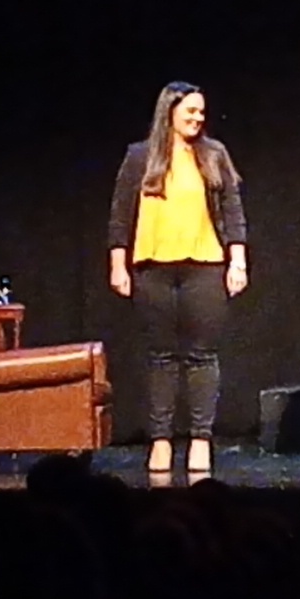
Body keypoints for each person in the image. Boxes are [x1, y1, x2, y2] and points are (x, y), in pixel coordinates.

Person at [107, 82, 248, 474]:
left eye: (202, 112)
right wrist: (118, 264)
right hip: (152, 269)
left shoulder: (213, 154)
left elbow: (233, 211)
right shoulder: (140, 157)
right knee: (161, 358)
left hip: (205, 266)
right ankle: (161, 440)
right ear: (169, 111)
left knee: (202, 355)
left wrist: (238, 260)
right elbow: (120, 215)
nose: (198, 118)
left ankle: (201, 439)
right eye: (191, 111)